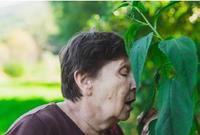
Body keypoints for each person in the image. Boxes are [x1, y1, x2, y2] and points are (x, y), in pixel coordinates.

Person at [6, 31, 136, 135]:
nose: (135, 84)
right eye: (124, 72)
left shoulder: (113, 131)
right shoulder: (36, 128)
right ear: (85, 81)